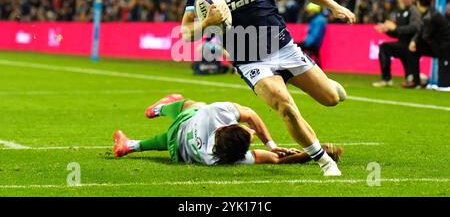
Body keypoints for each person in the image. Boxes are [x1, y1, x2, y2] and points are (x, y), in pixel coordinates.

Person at [180, 0, 355, 176]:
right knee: (285, 106)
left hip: (284, 48)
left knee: (331, 98)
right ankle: (324, 161)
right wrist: (207, 22)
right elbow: (185, 33)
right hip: (251, 61)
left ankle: (331, 86)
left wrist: (333, 6)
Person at [113, 94, 343, 165]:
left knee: (189, 105)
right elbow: (275, 159)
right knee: (184, 120)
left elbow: (250, 115)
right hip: (179, 152)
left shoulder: (214, 113)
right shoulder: (222, 157)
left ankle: (159, 110)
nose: (252, 133)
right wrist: (314, 154)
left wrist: (269, 143)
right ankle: (131, 145)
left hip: (184, 127)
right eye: (250, 135)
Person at [372, 0, 421, 87]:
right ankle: (387, 79)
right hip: (402, 44)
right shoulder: (399, 12)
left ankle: (387, 80)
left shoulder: (413, 10)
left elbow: (415, 28)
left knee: (384, 48)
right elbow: (397, 33)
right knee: (385, 48)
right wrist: (387, 30)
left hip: (410, 45)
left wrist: (395, 28)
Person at [405, 0, 450, 88]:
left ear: (418, 3)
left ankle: (418, 81)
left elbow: (425, 35)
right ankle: (416, 81)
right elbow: (421, 31)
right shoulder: (429, 13)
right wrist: (414, 41)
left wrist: (414, 42)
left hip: (444, 48)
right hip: (438, 46)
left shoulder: (430, 17)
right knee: (414, 50)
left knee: (444, 86)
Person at [296, 2, 327, 67]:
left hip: (312, 45)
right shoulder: (318, 19)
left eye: (310, 11)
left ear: (314, 11)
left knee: (294, 46)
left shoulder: (318, 21)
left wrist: (306, 44)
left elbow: (315, 35)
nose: (308, 13)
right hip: (312, 44)